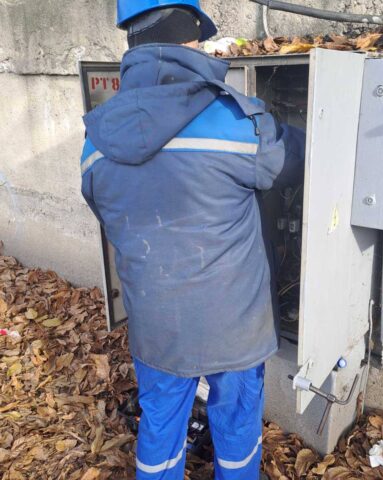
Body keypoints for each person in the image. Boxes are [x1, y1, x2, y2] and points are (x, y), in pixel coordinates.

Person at [80, 1, 305, 479]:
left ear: (132, 40)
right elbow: (296, 162)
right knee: (237, 430)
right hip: (235, 326)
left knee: (159, 429)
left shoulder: (95, 140)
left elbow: (107, 212)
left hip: (156, 325)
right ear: (189, 38)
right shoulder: (237, 122)